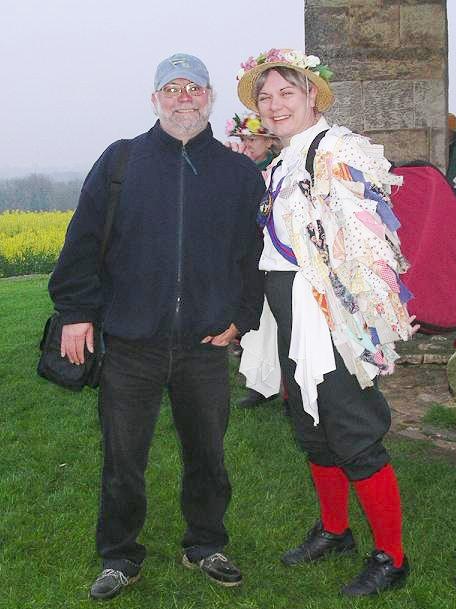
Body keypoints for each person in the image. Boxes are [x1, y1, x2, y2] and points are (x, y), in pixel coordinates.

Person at [48, 53, 265, 600]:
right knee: (123, 460)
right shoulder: (122, 161)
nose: (183, 97)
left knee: (208, 455)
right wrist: (76, 314)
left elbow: (254, 255)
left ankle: (206, 544)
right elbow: (80, 242)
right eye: (171, 88)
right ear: (154, 100)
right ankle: (120, 556)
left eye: (193, 88)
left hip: (204, 344)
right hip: (129, 341)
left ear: (210, 98)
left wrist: (242, 318)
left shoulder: (239, 172)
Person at [236, 48, 418, 597]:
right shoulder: (285, 158)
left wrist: (354, 321)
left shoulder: (336, 150)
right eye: (266, 97)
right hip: (288, 306)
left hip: (328, 313)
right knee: (311, 427)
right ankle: (335, 531)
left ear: (312, 95)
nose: (274, 105)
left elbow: (368, 243)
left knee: (352, 429)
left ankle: (392, 556)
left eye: (287, 93)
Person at [225, 112, 283, 408]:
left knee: (280, 321)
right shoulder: (237, 168)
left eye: (253, 139)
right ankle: (260, 383)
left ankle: (286, 387)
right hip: (252, 253)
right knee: (259, 320)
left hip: (277, 254)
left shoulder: (277, 168)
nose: (247, 145)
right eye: (243, 139)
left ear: (268, 141)